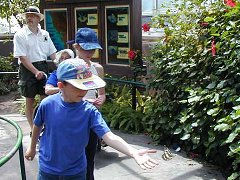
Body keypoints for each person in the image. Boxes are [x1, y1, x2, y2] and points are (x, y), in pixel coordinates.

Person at [25, 59, 159, 179]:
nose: (83, 91)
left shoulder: (89, 111)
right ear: (61, 86)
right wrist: (32, 148)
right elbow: (37, 125)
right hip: (48, 169)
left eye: (86, 85)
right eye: (78, 86)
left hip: (76, 171)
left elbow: (109, 136)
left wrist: (133, 152)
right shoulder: (47, 104)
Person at [47, 28, 106, 180]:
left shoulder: (98, 69)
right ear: (76, 47)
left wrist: (101, 99)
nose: (90, 52)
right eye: (87, 48)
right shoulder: (67, 68)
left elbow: (102, 93)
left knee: (89, 157)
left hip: (90, 115)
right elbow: (55, 90)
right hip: (70, 116)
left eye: (93, 49)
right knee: (70, 157)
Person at [13, 6, 57, 134]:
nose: (29, 18)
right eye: (27, 16)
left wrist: (61, 64)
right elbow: (23, 57)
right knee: (30, 99)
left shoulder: (45, 34)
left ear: (38, 18)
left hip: (43, 65)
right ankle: (33, 129)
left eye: (32, 15)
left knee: (45, 98)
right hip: (27, 68)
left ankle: (45, 126)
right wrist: (35, 72)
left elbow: (53, 53)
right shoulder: (20, 35)